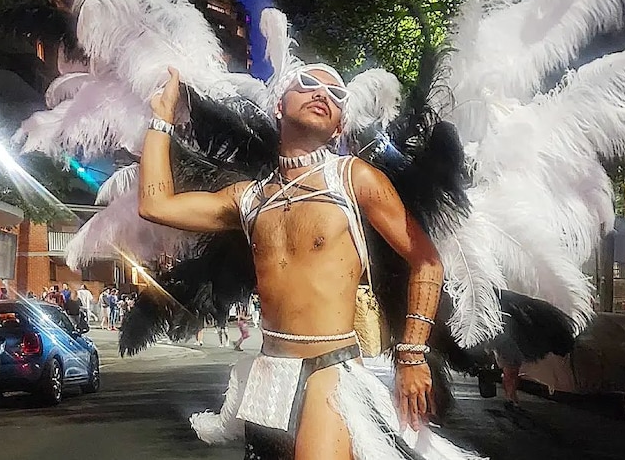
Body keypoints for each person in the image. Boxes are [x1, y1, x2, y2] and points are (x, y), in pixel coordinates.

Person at [139, 66, 446, 459]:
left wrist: (412, 355)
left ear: (339, 129)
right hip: (270, 372)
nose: (323, 94)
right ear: (279, 107)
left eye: (336, 94)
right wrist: (161, 119)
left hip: (329, 370)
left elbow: (427, 261)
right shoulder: (248, 199)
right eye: (308, 84)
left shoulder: (354, 179)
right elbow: (155, 203)